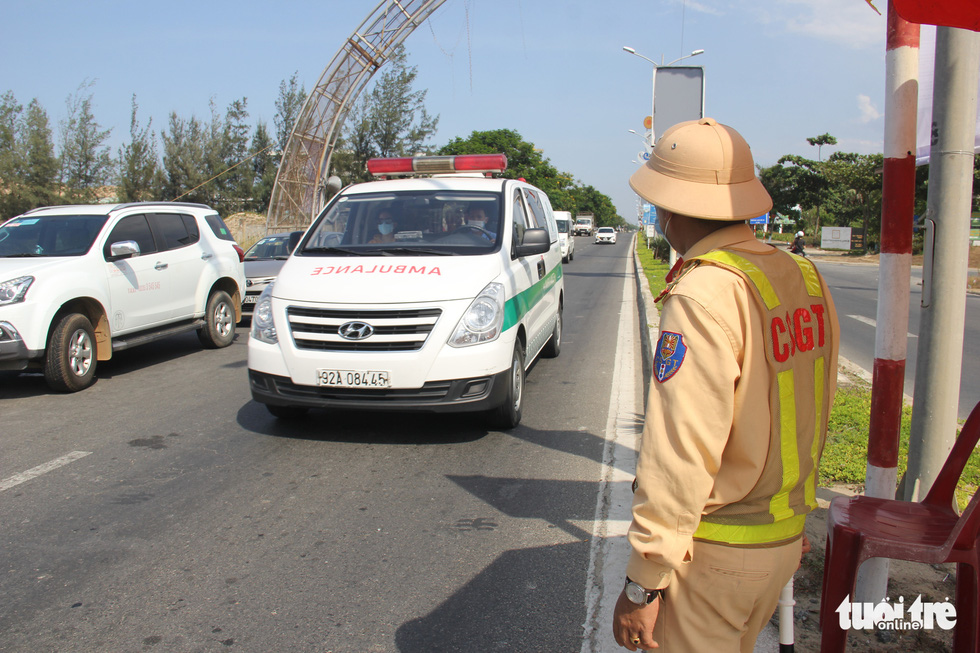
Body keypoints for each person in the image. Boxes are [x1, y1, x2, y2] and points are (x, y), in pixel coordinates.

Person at [612, 118, 839, 652]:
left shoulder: (702, 293)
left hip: (715, 556)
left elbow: (680, 451)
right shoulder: (802, 276)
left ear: (667, 209)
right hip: (781, 541)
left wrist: (642, 582)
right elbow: (815, 406)